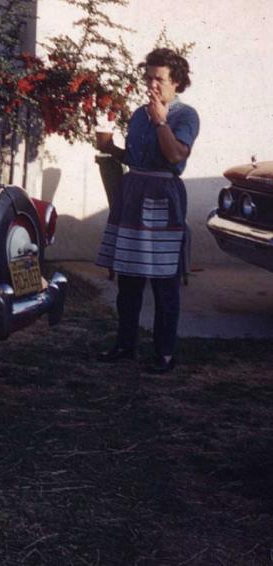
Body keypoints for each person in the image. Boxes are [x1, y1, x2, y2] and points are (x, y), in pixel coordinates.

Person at [95, 48, 200, 374]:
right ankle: (125, 344)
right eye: (149, 78)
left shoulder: (185, 115)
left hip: (162, 199)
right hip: (133, 196)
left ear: (177, 83)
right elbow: (137, 159)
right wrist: (112, 149)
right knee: (128, 278)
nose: (152, 85)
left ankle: (164, 353)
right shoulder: (139, 114)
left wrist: (160, 121)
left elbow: (173, 156)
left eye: (160, 79)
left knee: (164, 280)